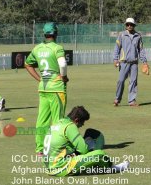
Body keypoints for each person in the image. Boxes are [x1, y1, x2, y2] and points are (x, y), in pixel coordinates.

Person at [43, 106, 129, 176]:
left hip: (50, 166)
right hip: (60, 167)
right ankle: (113, 168)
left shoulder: (58, 123)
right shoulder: (70, 126)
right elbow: (83, 150)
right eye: (82, 122)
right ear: (76, 120)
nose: (82, 125)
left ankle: (93, 164)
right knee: (100, 154)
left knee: (89, 137)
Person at [25, 22, 69, 155]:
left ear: (44, 34)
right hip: (56, 88)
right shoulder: (57, 48)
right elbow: (62, 63)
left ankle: (40, 149)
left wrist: (40, 79)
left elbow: (27, 64)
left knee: (42, 120)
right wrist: (64, 76)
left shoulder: (37, 48)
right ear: (56, 33)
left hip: (43, 88)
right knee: (58, 120)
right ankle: (56, 149)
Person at [113, 17, 149, 107]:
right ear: (126, 25)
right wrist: (115, 59)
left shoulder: (138, 36)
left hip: (134, 63)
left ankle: (131, 101)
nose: (129, 26)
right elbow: (117, 48)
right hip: (124, 62)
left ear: (134, 26)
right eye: (128, 24)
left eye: (131, 24)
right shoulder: (121, 35)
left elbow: (141, 50)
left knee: (133, 81)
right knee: (120, 81)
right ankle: (117, 99)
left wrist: (144, 62)